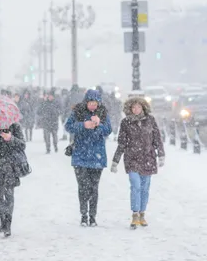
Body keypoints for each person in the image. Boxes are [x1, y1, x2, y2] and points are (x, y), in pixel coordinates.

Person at [111, 97, 165, 229]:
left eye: (138, 107)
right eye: (133, 107)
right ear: (129, 109)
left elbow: (157, 138)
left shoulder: (150, 120)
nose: (136, 110)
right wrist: (115, 161)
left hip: (148, 158)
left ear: (143, 108)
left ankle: (142, 214)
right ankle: (135, 214)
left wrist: (161, 154)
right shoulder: (126, 122)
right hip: (132, 159)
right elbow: (122, 143)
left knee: (145, 188)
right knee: (136, 186)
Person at [65, 89, 112, 227]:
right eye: (90, 103)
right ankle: (83, 215)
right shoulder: (78, 112)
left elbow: (109, 130)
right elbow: (68, 126)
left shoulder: (103, 113)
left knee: (93, 187)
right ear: (86, 102)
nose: (93, 106)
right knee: (83, 186)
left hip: (97, 156)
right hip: (80, 155)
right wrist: (83, 125)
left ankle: (93, 216)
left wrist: (99, 125)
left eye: (95, 103)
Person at [0, 123, 26, 237]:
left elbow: (22, 145)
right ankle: (2, 220)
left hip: (10, 166)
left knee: (9, 195)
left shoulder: (14, 126)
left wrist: (10, 138)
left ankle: (7, 223)